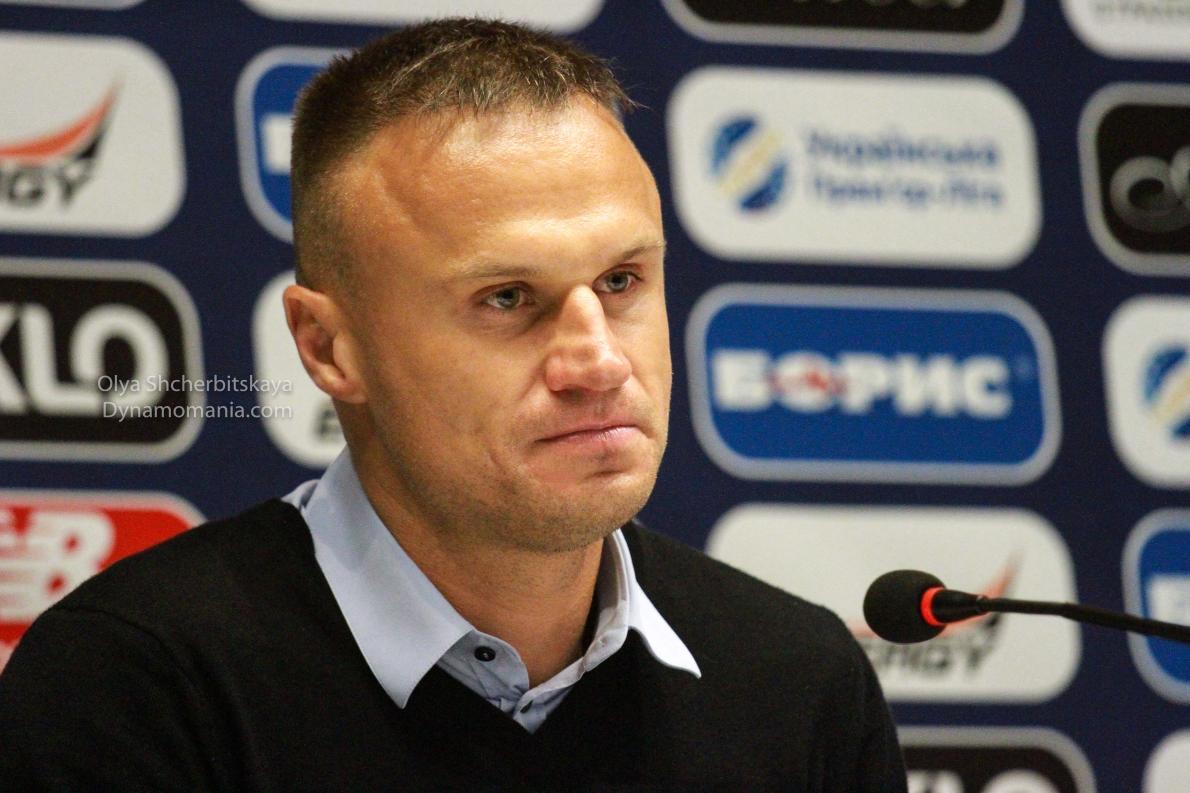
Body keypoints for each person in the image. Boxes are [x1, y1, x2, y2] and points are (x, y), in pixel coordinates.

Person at [0, 18, 907, 792]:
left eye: (622, 280)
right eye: (508, 298)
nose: (598, 360)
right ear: (328, 346)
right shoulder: (132, 685)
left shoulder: (800, 680)